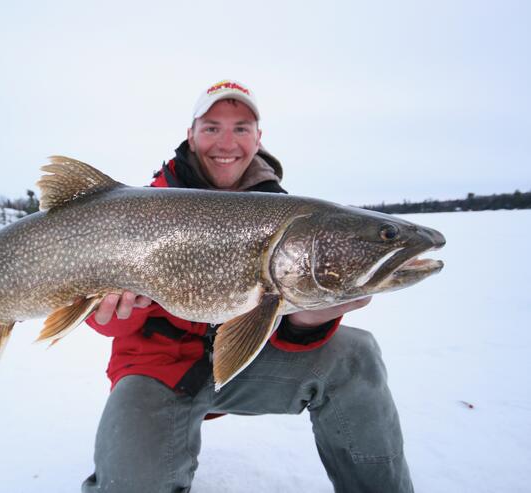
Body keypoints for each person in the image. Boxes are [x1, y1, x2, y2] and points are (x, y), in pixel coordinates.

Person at [80, 80, 413, 493]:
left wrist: (304, 321)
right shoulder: (145, 210)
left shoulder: (286, 215)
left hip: (248, 368)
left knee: (355, 352)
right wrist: (119, 312)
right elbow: (103, 323)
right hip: (158, 372)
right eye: (212, 126)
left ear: (258, 138)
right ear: (190, 134)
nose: (226, 141)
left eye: (241, 127)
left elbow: (270, 319)